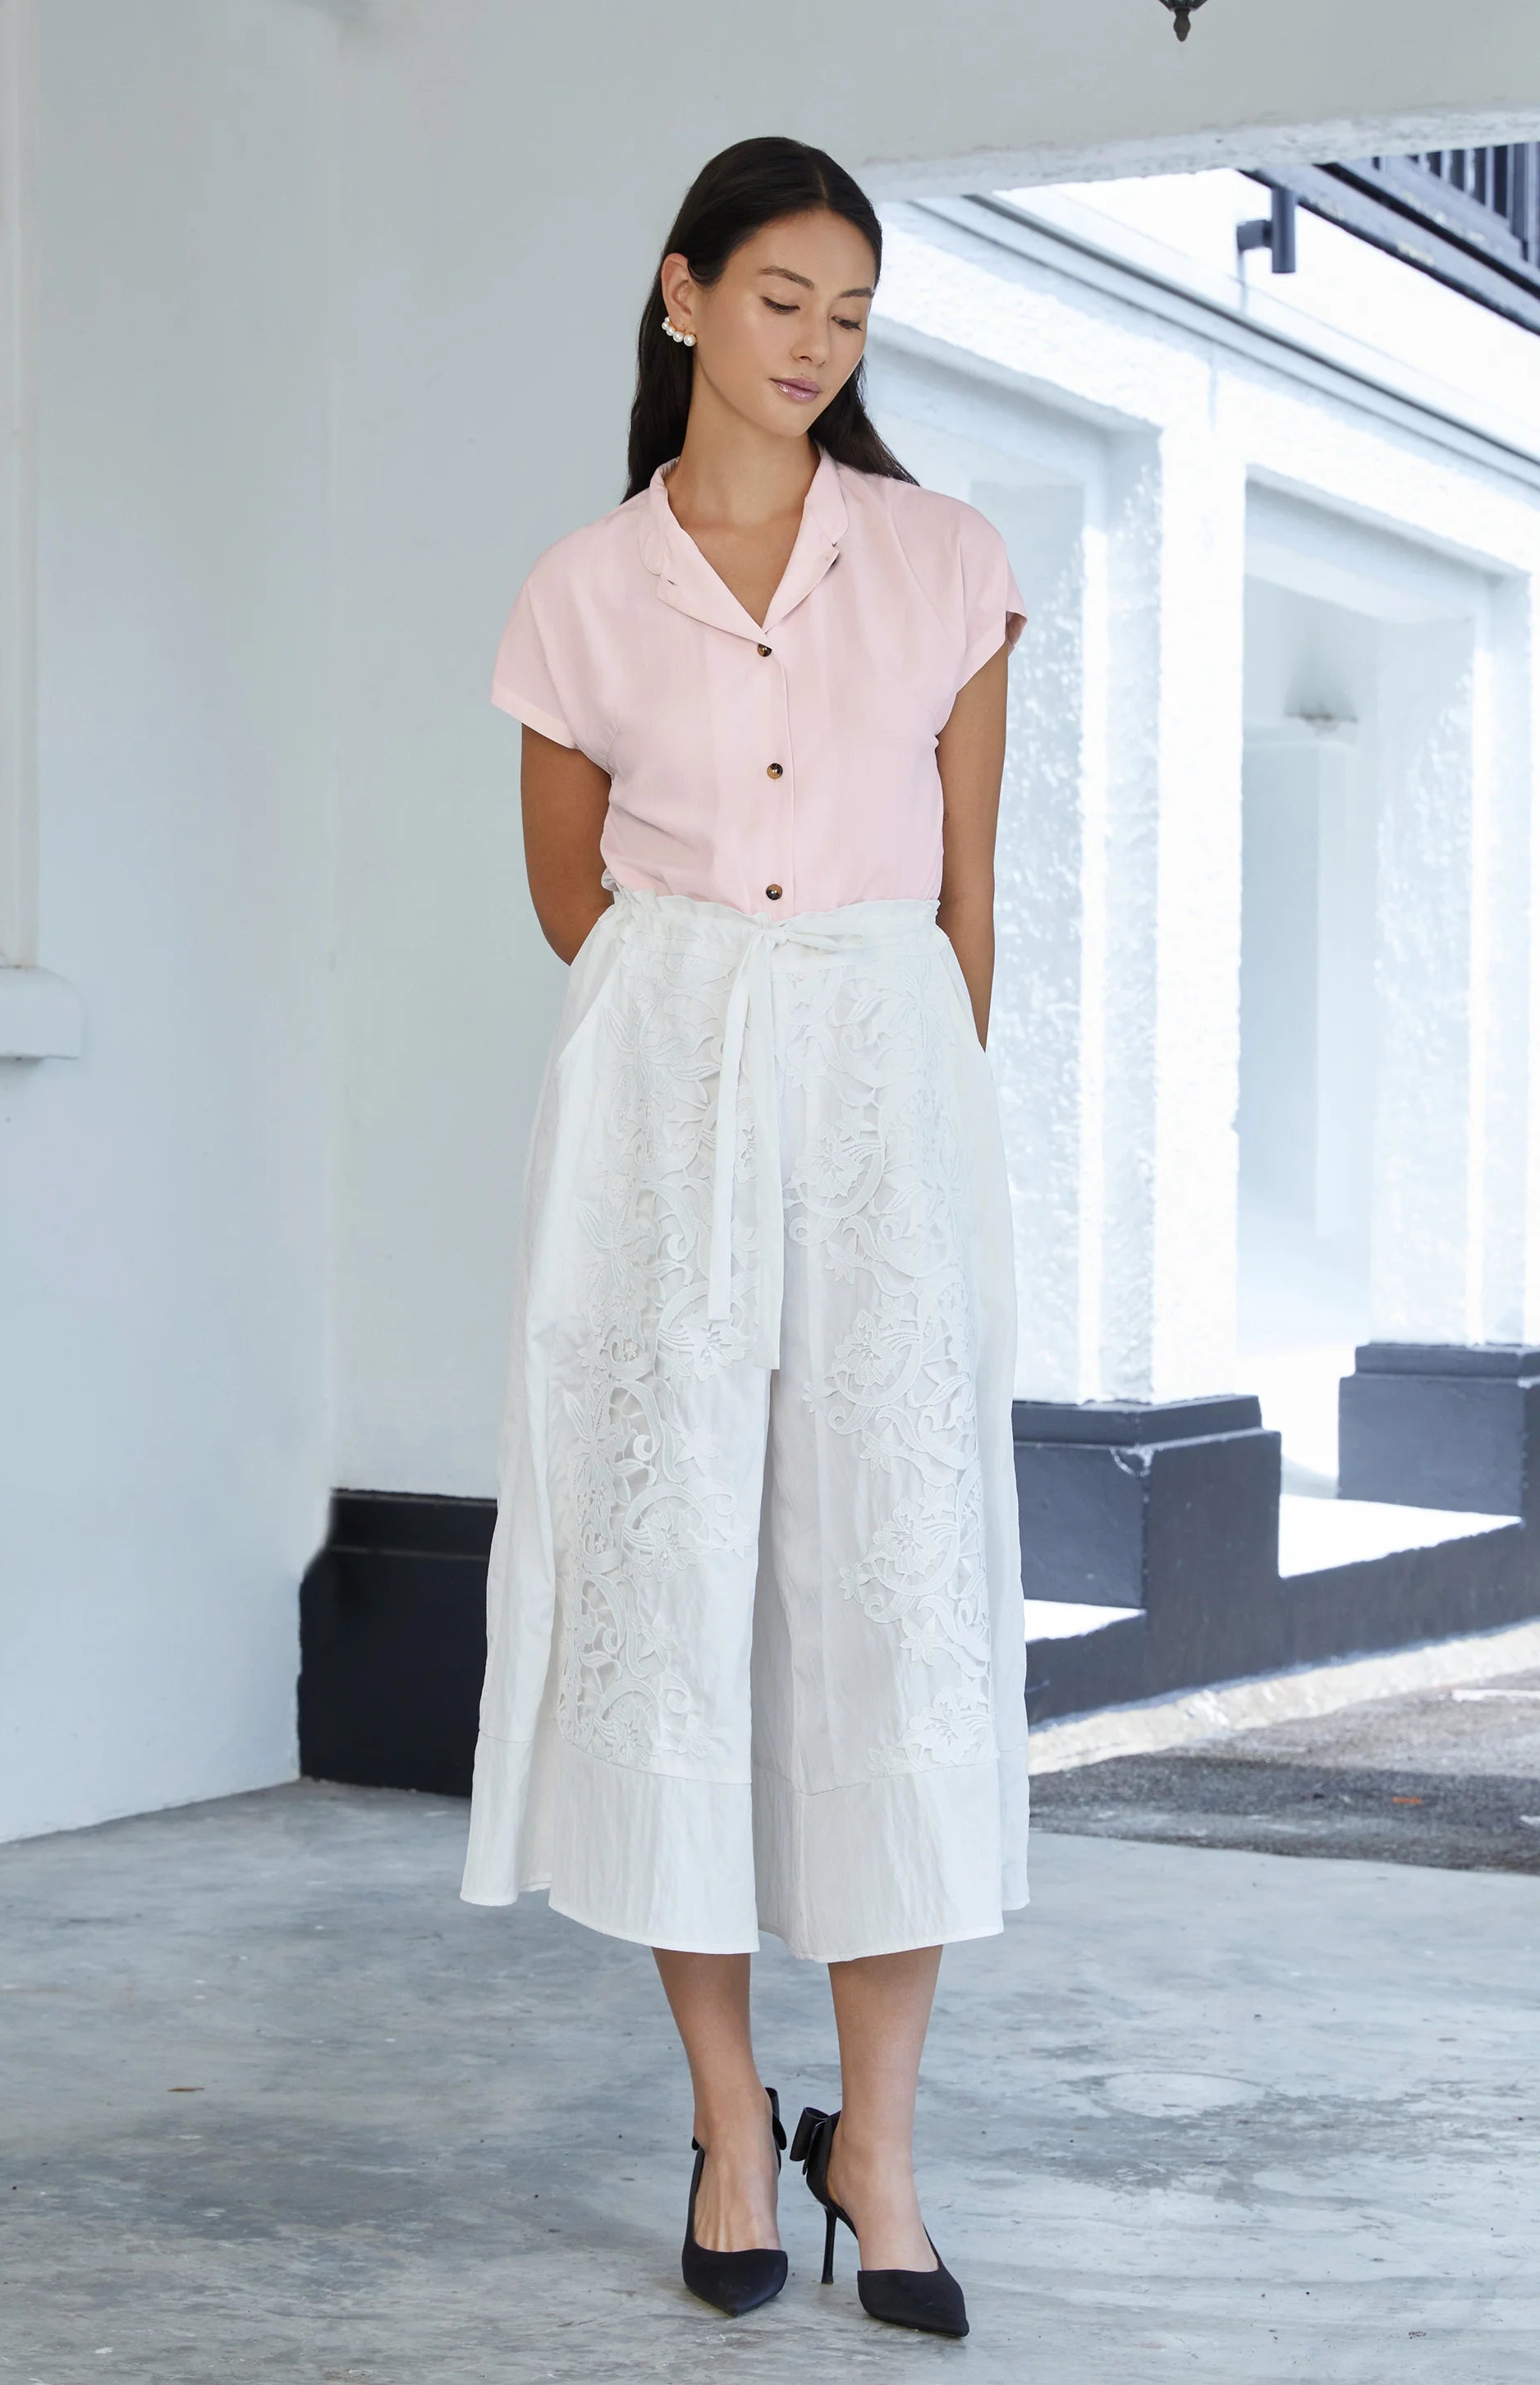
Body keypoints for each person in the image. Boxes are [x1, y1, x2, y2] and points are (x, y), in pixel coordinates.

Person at [461, 135, 1028, 2338]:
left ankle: (872, 2149)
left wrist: (899, 1100)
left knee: (896, 1592)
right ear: (683, 296)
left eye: (853, 312)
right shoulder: (581, 591)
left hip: (888, 1080)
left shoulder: (951, 562)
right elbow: (565, 897)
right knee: (670, 1583)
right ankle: (726, 2115)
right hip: (667, 1085)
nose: (818, 344)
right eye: (784, 297)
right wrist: (697, 1045)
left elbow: (974, 905)